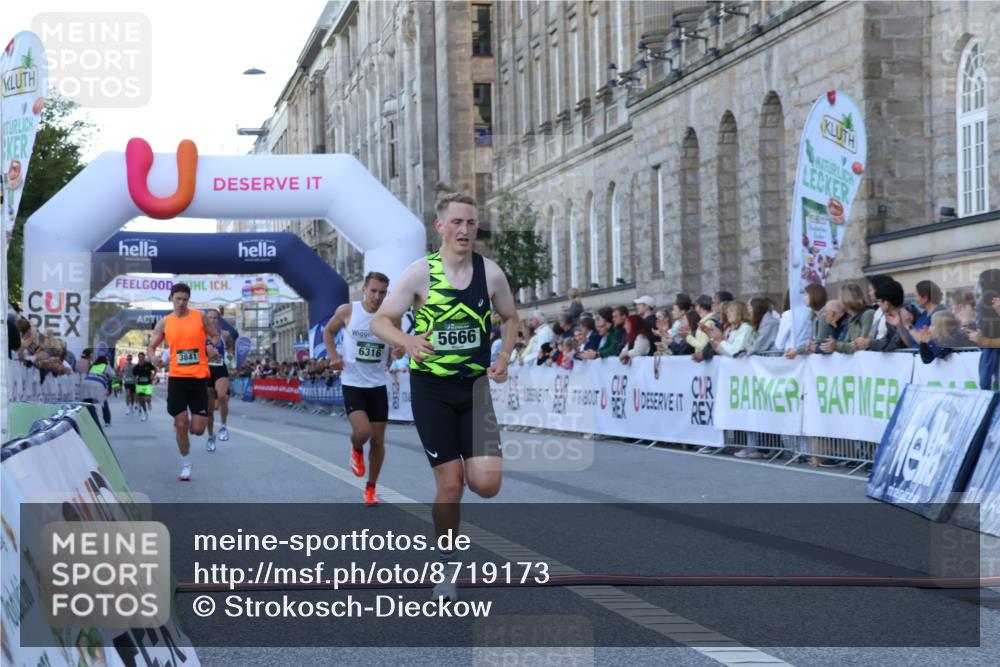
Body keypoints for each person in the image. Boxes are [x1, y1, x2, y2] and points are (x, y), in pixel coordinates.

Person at [370, 192, 518, 602]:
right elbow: (381, 321)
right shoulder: (421, 273)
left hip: (475, 389)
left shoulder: (490, 274)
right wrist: (407, 340)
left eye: (470, 222)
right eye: (456, 222)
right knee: (451, 484)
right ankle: (447, 566)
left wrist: (504, 356)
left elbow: (510, 317)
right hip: (432, 390)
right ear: (440, 227)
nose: (465, 230)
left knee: (486, 485)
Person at [323, 271, 392, 506]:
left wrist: (398, 350)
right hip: (353, 383)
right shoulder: (348, 311)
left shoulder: (390, 315)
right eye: (373, 291)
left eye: (382, 292)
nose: (377, 296)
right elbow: (328, 332)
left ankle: (371, 488)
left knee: (378, 441)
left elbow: (396, 342)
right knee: (363, 432)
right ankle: (355, 448)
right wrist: (334, 356)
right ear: (364, 289)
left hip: (377, 384)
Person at [146, 283, 222, 482]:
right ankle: (186, 465)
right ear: (171, 299)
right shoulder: (164, 323)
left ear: (189, 300)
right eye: (178, 299)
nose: (181, 302)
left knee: (198, 430)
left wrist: (210, 346)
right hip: (177, 379)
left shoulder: (200, 317)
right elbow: (151, 347)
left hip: (199, 378)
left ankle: (183, 426)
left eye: (185, 299)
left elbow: (216, 335)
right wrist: (154, 358)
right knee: (182, 424)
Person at [204, 309, 234, 452]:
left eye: (215, 318)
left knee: (222, 396)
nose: (212, 320)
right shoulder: (200, 334)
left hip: (220, 369)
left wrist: (230, 355)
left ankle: (223, 426)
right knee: (209, 410)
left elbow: (230, 348)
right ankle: (211, 436)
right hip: (205, 372)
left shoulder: (225, 334)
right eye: (210, 317)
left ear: (219, 320)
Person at [827, 284, 874, 355]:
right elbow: (847, 343)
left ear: (845, 299)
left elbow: (860, 345)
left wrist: (836, 345)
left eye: (840, 298)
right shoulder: (851, 318)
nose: (839, 301)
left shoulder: (868, 314)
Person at [79, 355, 116, 428]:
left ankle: (88, 420)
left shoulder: (93, 366)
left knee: (87, 402)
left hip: (86, 383)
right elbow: (113, 375)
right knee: (103, 402)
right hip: (98, 385)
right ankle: (107, 421)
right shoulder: (105, 366)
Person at [133, 352, 156, 421]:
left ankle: (149, 403)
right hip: (140, 385)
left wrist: (153, 376)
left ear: (144, 357)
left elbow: (155, 369)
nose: (141, 358)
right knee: (141, 401)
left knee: (147, 399)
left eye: (142, 357)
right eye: (140, 357)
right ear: (138, 358)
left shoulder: (148, 364)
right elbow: (134, 376)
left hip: (148, 384)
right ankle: (145, 414)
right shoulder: (136, 367)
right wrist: (135, 381)